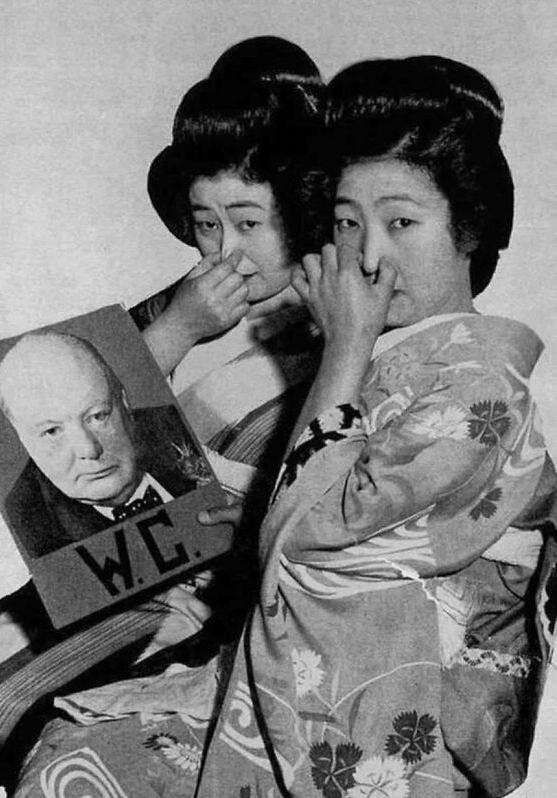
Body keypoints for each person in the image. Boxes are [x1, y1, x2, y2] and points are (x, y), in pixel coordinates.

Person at [193, 57, 557, 798]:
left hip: (418, 721)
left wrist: (348, 346)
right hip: (349, 697)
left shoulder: (485, 389)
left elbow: (310, 535)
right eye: (347, 223)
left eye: (400, 222)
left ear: (472, 230)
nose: (368, 253)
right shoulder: (387, 368)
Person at [11, 37, 328, 798]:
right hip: (121, 581)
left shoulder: (337, 325)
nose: (226, 252)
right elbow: (41, 447)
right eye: (206, 224)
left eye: (249, 223)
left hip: (261, 611)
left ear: (306, 211)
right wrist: (177, 331)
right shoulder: (179, 306)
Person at [0, 331, 202, 557]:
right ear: (24, 440)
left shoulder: (178, 427)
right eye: (52, 431)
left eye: (98, 416)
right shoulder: (28, 520)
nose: (89, 450)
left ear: (124, 403)